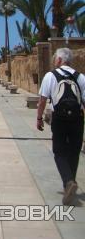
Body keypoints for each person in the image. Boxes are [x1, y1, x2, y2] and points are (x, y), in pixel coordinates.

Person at [36, 47, 85, 205]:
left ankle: (69, 182)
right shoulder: (81, 77)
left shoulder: (50, 76)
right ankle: (69, 183)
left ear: (58, 60)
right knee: (74, 152)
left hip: (59, 118)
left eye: (54, 59)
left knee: (59, 151)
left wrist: (39, 118)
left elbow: (42, 100)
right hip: (77, 119)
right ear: (70, 61)